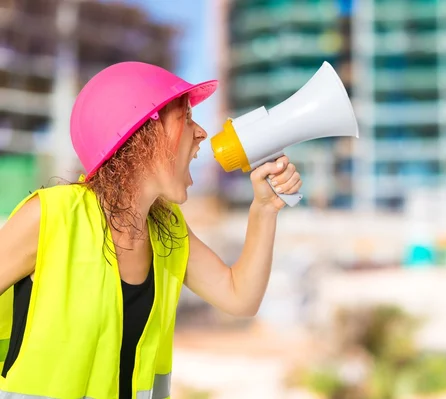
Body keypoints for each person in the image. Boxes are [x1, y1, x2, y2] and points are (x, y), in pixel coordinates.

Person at [0, 61, 302, 398]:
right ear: (143, 131)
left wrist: (264, 209)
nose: (201, 132)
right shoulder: (49, 217)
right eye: (186, 118)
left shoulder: (167, 230)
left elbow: (240, 297)